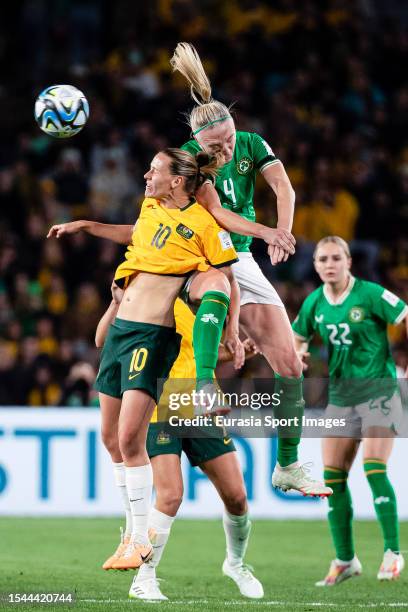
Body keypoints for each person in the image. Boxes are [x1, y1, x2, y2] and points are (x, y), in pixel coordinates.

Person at [48, 147, 241, 569]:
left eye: (154, 170)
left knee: (132, 438)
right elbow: (135, 233)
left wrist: (233, 330)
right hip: (121, 332)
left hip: (152, 336)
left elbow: (227, 279)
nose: (146, 175)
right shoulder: (151, 207)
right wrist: (86, 225)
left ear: (177, 180)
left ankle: (138, 539)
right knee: (111, 439)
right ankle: (131, 535)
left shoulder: (204, 225)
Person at [169, 42, 331, 496]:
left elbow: (285, 188)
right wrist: (267, 234)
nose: (223, 148)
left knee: (290, 366)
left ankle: (288, 465)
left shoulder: (252, 142)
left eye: (227, 138)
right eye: (213, 145)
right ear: (197, 144)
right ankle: (199, 392)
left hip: (240, 258)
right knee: (213, 327)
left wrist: (284, 231)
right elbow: (218, 215)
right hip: (199, 255)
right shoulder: (188, 157)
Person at [96, 284, 264, 601]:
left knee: (237, 497)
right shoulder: (147, 298)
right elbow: (105, 341)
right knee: (171, 496)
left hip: (201, 408)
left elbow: (200, 354)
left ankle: (236, 563)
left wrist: (239, 350)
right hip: (159, 408)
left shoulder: (197, 305)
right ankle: (144, 578)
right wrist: (114, 304)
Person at [292, 236, 407, 586]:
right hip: (341, 397)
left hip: (380, 391)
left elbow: (405, 316)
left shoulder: (370, 294)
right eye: (323, 259)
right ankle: (345, 560)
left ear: (348, 262)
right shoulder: (314, 303)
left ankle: (392, 552)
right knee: (332, 479)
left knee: (374, 467)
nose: (329, 264)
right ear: (315, 266)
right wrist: (299, 354)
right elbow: (298, 338)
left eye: (336, 258)